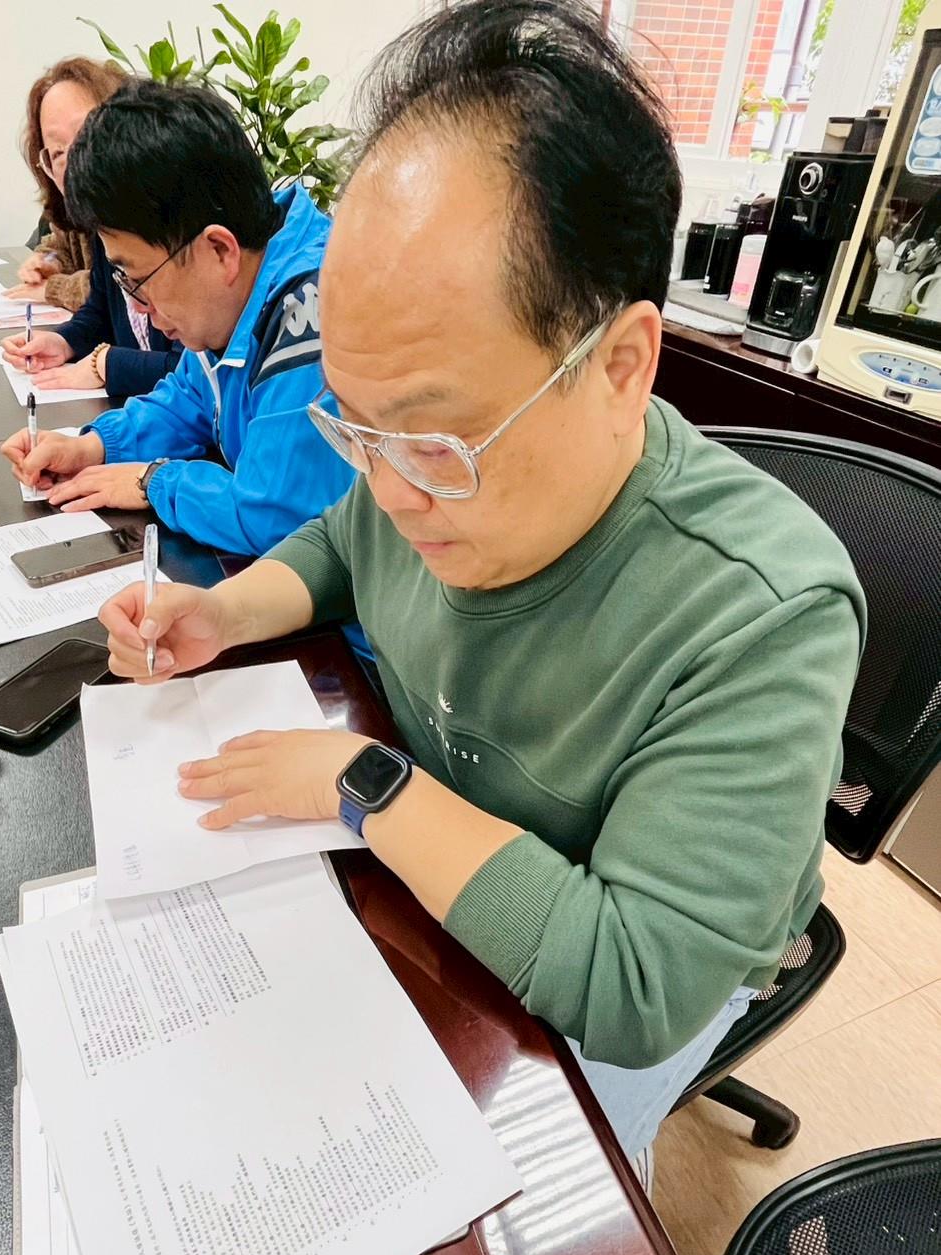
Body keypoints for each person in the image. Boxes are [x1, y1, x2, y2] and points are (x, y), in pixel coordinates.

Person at [97, 0, 866, 1180]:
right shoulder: (413, 470)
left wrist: (363, 782)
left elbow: (635, 983)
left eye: (433, 441)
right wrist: (225, 612)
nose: (393, 489)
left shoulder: (762, 614)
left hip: (607, 956)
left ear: (621, 366)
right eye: (357, 428)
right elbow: (345, 539)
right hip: (443, 871)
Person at [0, 80, 352, 562]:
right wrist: (94, 446)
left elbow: (275, 515)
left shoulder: (309, 315)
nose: (139, 306)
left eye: (138, 279)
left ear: (219, 250)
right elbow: (189, 397)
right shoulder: (240, 285)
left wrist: (154, 481)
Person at [1, 59, 182, 398]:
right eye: (57, 151)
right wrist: (63, 342)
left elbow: (197, 372)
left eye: (85, 136)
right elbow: (99, 313)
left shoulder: (176, 225)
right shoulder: (101, 225)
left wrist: (104, 364)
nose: (75, 160)